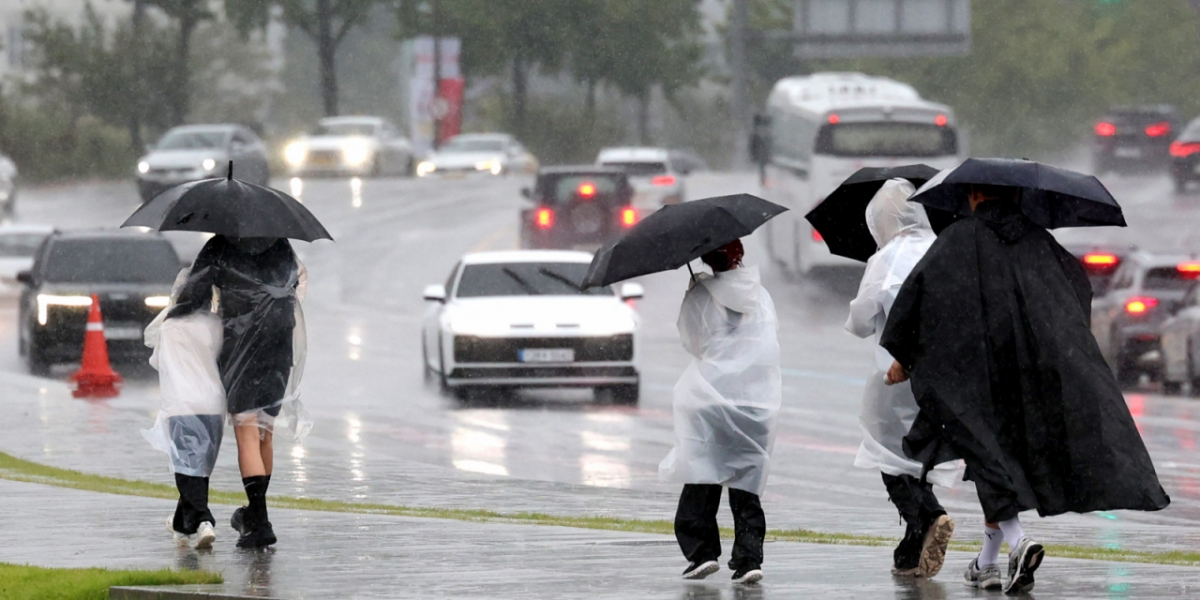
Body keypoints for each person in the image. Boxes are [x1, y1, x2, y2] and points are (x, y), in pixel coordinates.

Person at [880, 185, 1170, 594]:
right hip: (1031, 373)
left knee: (987, 455)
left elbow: (921, 299)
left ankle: (1018, 543)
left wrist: (903, 356)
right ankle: (986, 563)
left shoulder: (959, 239)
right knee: (996, 459)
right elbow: (1076, 293)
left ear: (977, 194)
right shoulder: (1039, 241)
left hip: (976, 373)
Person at [844, 179, 958, 578]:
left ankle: (928, 516)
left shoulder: (886, 259)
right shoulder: (942, 250)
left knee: (885, 452)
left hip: (892, 373)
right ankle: (912, 547)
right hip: (941, 373)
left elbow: (860, 322)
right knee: (919, 453)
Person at [168, 235, 311, 549]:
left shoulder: (220, 246)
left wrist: (175, 314)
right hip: (278, 343)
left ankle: (259, 519)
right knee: (264, 432)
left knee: (247, 430)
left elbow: (194, 293)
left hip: (241, 343)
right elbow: (293, 283)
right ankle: (255, 513)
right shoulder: (279, 243)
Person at [659, 239, 781, 585]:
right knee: (746, 478)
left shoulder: (701, 293)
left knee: (702, 469)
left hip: (711, 395)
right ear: (740, 255)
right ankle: (749, 557)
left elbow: (691, 341)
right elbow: (770, 339)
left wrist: (695, 294)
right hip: (756, 398)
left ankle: (701, 551)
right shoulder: (762, 296)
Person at [143, 269, 227, 550]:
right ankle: (182, 525)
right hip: (212, 404)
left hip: (180, 404)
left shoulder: (170, 326)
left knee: (186, 466)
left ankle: (204, 520)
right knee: (198, 467)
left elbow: (157, 361)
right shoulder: (215, 324)